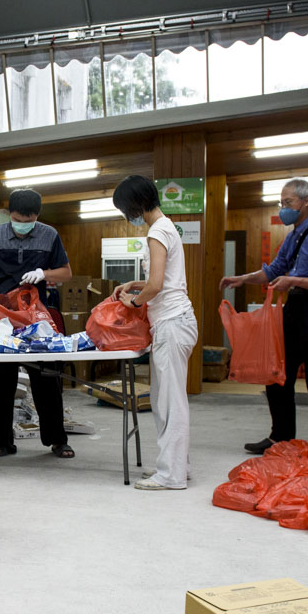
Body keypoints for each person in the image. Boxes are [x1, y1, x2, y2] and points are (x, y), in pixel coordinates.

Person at [220, 178, 308, 453]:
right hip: (296, 310)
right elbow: (274, 269)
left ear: (306, 201)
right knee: (276, 374)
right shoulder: (294, 235)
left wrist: (295, 281)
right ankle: (281, 437)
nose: (283, 208)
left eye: (288, 203)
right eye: (281, 203)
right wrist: (242, 278)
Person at [111, 175, 198, 490]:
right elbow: (163, 279)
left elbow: (159, 285)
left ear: (135, 204)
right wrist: (137, 284)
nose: (126, 216)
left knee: (170, 402)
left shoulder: (157, 232)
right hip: (176, 320)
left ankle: (172, 475)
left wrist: (133, 301)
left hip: (172, 323)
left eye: (125, 210)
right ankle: (177, 467)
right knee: (166, 401)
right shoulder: (166, 227)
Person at [0, 188, 74, 460]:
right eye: (18, 218)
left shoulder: (49, 235)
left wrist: (44, 273)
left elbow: (66, 273)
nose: (23, 224)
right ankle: (2, 442)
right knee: (0, 381)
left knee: (47, 379)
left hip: (36, 317)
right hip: (1, 318)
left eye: (29, 219)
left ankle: (57, 440)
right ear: (9, 214)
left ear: (37, 216)